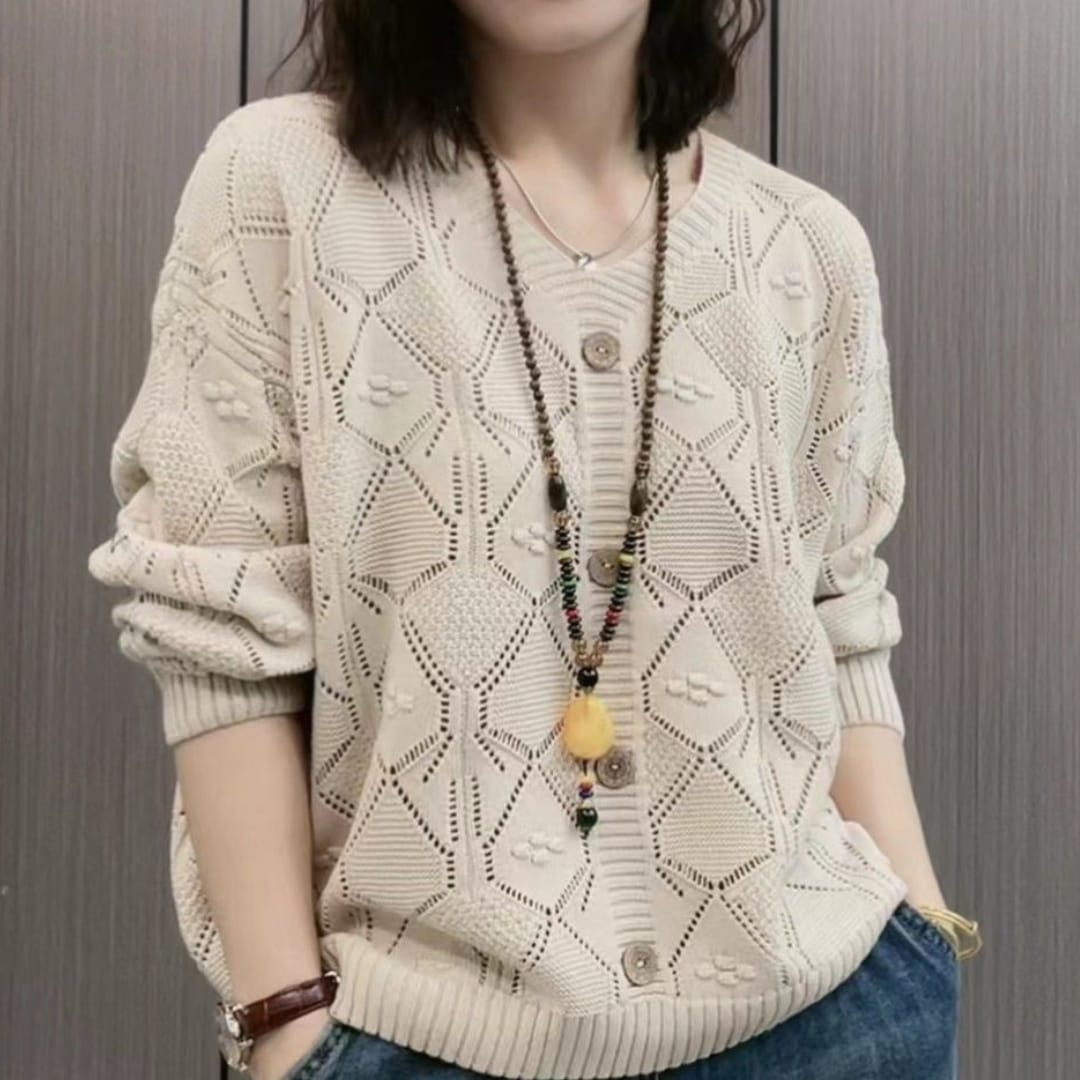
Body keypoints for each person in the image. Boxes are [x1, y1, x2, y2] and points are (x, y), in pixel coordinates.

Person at [86, 1, 982, 1078]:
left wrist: (924, 931)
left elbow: (839, 616)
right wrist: (285, 1026)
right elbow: (217, 632)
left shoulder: (808, 247)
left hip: (842, 1024)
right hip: (421, 1039)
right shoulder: (283, 185)